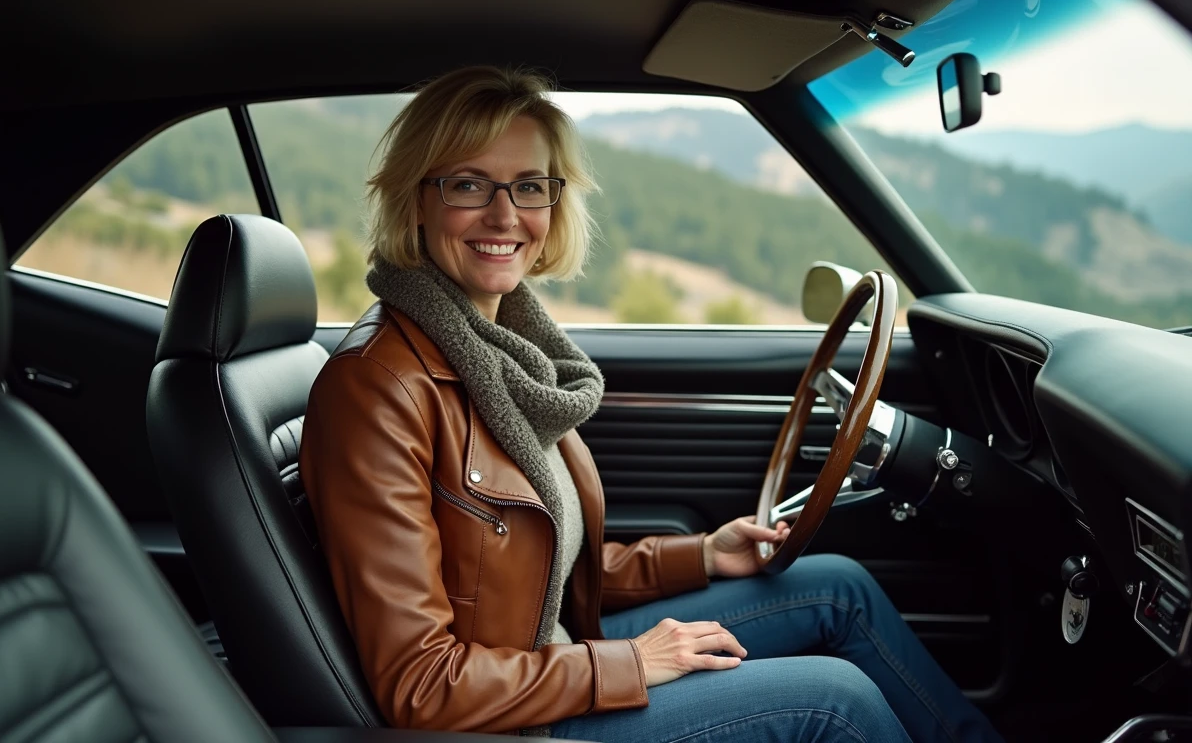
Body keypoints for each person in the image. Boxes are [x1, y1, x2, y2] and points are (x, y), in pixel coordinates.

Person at [298, 64, 1004, 743]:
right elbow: (421, 687)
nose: (505, 214)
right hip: (516, 719)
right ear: (417, 199)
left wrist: (702, 555)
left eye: (529, 186)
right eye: (469, 185)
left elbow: (540, 572)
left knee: (837, 588)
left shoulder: (502, 351)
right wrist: (632, 662)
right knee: (836, 701)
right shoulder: (379, 390)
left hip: (557, 659)